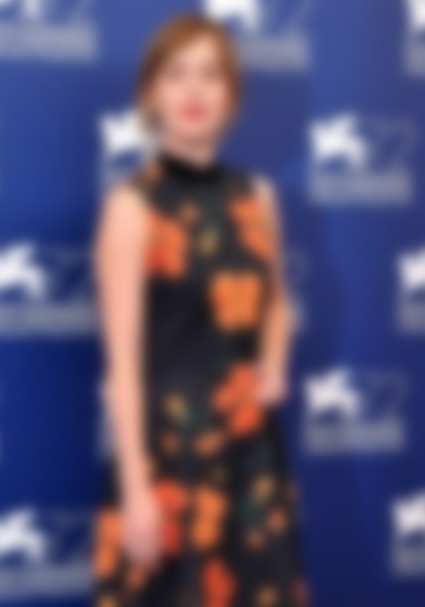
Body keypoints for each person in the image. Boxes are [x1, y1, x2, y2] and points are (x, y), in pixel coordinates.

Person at [94, 14, 305, 607]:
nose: (194, 91)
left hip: (250, 456)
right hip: (168, 458)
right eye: (177, 74)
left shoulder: (258, 198)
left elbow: (277, 305)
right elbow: (122, 365)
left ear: (232, 95)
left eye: (210, 75)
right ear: (150, 93)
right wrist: (136, 490)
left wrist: (274, 362)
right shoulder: (132, 207)